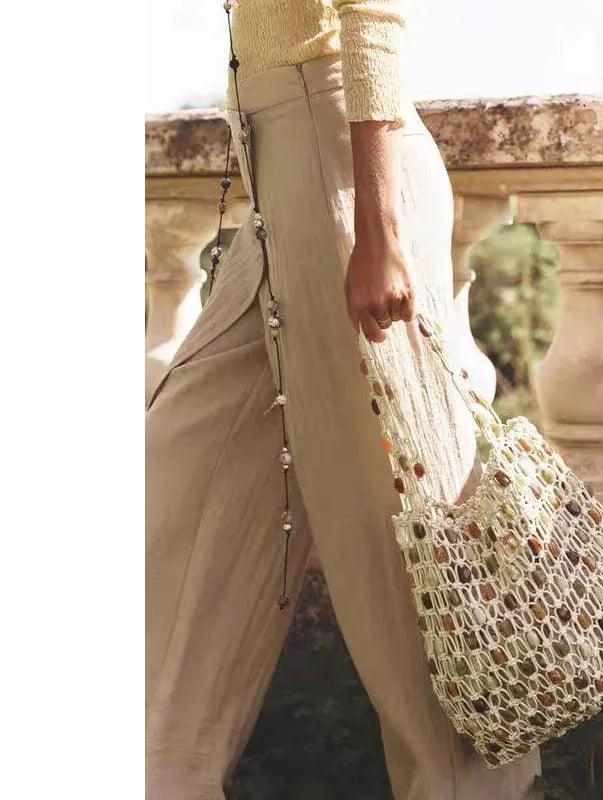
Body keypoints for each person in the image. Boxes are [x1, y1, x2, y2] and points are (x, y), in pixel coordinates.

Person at [145, 1, 542, 798]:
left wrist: (379, 232)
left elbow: (372, 18)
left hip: (347, 183)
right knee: (175, 478)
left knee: (398, 546)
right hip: (279, 181)